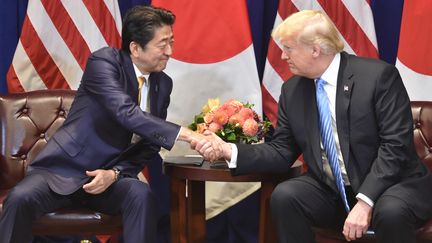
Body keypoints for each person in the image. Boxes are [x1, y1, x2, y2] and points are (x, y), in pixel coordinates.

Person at [195, 10, 432, 243]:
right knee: (286, 196)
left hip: (392, 185)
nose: (283, 55)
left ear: (315, 50)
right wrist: (230, 150)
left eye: (288, 48)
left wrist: (365, 201)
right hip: (334, 189)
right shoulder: (292, 90)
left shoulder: (378, 77)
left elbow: (395, 147)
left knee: (390, 212)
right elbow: (281, 151)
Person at [0, 5, 218, 243]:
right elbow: (125, 112)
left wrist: (114, 174)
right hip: (63, 171)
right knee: (20, 198)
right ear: (135, 47)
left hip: (109, 179)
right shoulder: (104, 62)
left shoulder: (162, 84)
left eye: (171, 42)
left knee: (140, 196)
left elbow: (149, 145)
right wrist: (188, 135)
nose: (170, 51)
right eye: (162, 44)